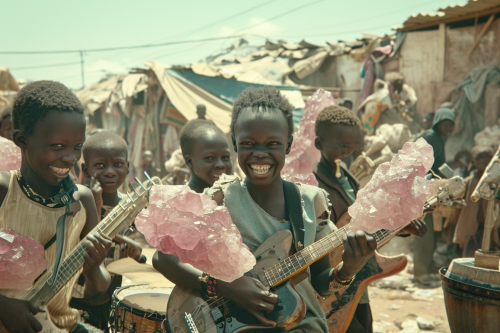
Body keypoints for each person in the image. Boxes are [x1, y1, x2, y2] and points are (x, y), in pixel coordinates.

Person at [153, 86, 377, 332]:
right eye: (248, 143)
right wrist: (226, 287)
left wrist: (349, 268)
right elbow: (163, 257)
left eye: (272, 144)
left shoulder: (311, 202)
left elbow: (321, 284)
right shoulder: (218, 200)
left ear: (288, 145)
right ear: (235, 144)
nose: (260, 154)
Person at [0, 81, 112, 333]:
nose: (71, 158)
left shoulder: (82, 201)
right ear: (21, 140)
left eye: (78, 147)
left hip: (61, 327)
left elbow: (97, 292)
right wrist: (3, 307)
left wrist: (94, 269)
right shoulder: (4, 192)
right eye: (58, 146)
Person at [313, 105, 427, 332]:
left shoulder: (350, 180)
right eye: (340, 145)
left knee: (365, 324)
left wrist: (401, 226)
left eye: (353, 145)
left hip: (358, 273)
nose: (347, 151)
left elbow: (367, 224)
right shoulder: (312, 184)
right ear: (319, 144)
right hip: (328, 279)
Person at [70, 130, 143, 331]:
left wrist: (135, 254)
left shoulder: (132, 208)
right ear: (85, 168)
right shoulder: (77, 204)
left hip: (115, 298)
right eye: (100, 165)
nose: (110, 171)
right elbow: (84, 243)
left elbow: (140, 254)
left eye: (118, 164)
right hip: (79, 298)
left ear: (128, 167)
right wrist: (96, 205)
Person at [413, 107, 455, 287]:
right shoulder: (429, 138)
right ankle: (420, 271)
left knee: (431, 231)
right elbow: (419, 164)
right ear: (438, 122)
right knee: (424, 229)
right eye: (445, 124)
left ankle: (427, 266)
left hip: (430, 188)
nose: (448, 128)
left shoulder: (438, 139)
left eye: (450, 125)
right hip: (422, 189)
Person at [453, 145, 500, 257]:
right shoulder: (469, 181)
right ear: (472, 160)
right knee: (469, 258)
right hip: (471, 229)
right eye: (480, 157)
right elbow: (456, 195)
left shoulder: (496, 183)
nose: (484, 161)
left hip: (490, 230)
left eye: (487, 157)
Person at [180, 119, 233, 193]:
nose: (220, 165)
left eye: (225, 157)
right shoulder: (180, 202)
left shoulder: (233, 198)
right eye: (210, 158)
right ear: (190, 162)